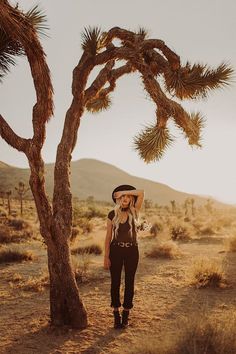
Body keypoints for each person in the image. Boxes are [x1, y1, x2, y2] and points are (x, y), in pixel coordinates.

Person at [104, 184, 144, 329]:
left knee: (129, 282)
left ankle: (126, 313)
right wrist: (106, 256)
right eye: (122, 197)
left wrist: (123, 191)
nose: (125, 199)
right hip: (115, 251)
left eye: (128, 197)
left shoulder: (135, 211)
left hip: (132, 252)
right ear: (118, 199)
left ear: (131, 199)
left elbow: (141, 192)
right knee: (115, 282)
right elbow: (108, 236)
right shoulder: (111, 214)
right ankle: (116, 314)